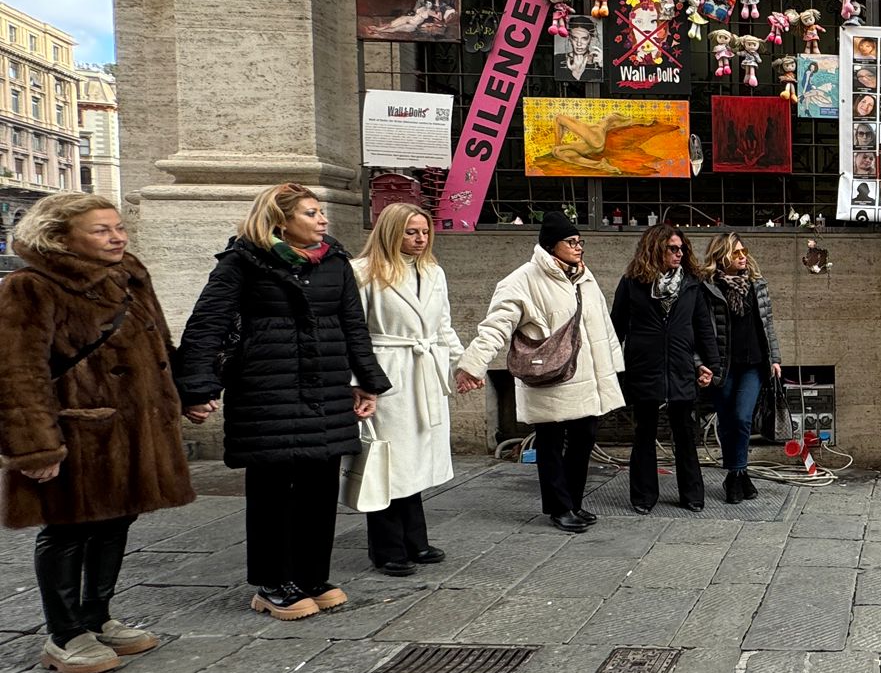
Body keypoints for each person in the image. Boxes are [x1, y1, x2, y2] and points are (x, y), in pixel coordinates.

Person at [0, 194, 196, 673]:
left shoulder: (129, 272)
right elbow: (16, 371)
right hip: (77, 427)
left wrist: (185, 394)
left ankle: (98, 616)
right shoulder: (30, 286)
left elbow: (158, 346)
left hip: (133, 425)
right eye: (101, 230)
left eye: (118, 227)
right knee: (68, 529)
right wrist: (35, 446)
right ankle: (64, 634)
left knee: (116, 520)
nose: (117, 237)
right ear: (60, 236)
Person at [176, 184, 390, 619]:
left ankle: (312, 575)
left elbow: (353, 325)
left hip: (325, 389)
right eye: (312, 213)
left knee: (320, 483)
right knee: (274, 489)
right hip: (266, 391)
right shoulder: (242, 262)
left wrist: (368, 382)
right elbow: (207, 324)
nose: (323, 220)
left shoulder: (334, 260)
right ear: (280, 221)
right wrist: (197, 389)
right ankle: (272, 582)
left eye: (321, 213)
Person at [455, 212, 625, 533]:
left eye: (580, 242)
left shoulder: (584, 277)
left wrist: (613, 369)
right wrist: (473, 363)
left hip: (585, 377)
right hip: (548, 377)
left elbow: (601, 326)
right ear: (551, 246)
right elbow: (496, 325)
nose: (579, 248)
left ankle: (573, 501)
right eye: (571, 242)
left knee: (584, 438)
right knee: (550, 443)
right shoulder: (522, 280)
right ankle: (560, 508)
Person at [353, 204, 461, 573]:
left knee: (416, 461)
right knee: (388, 463)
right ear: (390, 231)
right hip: (388, 371)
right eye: (410, 232)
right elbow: (356, 334)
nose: (420, 239)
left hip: (425, 371)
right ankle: (386, 548)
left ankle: (416, 540)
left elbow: (443, 326)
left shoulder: (433, 271)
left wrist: (460, 366)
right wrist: (361, 383)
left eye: (425, 232)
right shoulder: (363, 272)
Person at [612, 225, 722, 515]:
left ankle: (692, 495)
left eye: (681, 249)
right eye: (672, 248)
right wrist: (613, 369)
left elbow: (703, 328)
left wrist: (711, 366)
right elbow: (616, 328)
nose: (679, 253)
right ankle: (644, 496)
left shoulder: (692, 284)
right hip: (644, 367)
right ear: (655, 249)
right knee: (644, 432)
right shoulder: (632, 283)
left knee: (685, 432)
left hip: (680, 366)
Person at [703, 232, 782, 503]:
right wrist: (702, 364)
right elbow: (702, 330)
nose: (742, 257)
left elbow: (767, 323)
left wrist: (775, 358)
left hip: (754, 364)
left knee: (741, 417)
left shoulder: (756, 285)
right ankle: (738, 475)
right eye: (735, 253)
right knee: (727, 422)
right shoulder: (709, 287)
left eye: (743, 251)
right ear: (721, 256)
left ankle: (735, 473)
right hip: (722, 366)